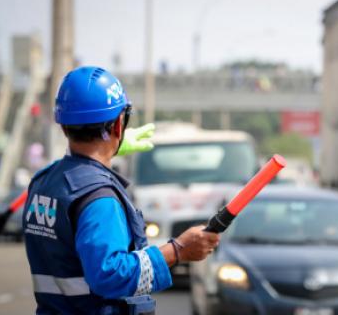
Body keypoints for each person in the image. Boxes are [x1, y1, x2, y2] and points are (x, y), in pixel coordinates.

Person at [22, 66, 220, 314]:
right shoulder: (98, 198)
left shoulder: (44, 181)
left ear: (63, 125)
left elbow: (70, 171)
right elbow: (109, 275)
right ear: (119, 124)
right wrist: (177, 250)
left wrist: (110, 149)